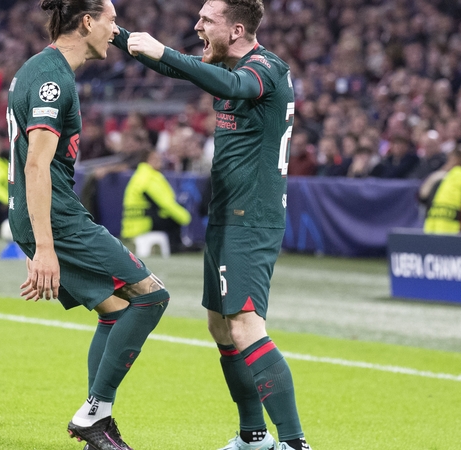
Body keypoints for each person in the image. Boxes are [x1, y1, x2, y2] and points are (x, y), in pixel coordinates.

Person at [115, 1, 310, 449]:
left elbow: (233, 83)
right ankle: (253, 437)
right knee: (221, 328)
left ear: (237, 29)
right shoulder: (223, 68)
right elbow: (193, 73)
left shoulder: (265, 68)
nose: (197, 25)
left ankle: (296, 443)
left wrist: (163, 52)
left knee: (244, 325)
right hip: (226, 217)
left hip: (252, 218)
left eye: (207, 20)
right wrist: (115, 33)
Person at [6, 1, 169, 449]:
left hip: (47, 215)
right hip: (57, 219)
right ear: (87, 22)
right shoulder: (52, 80)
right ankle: (93, 415)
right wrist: (45, 247)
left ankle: (99, 415)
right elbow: (35, 166)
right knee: (152, 296)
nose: (118, 30)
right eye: (112, 20)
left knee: (115, 313)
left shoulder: (41, 69)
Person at [121, 149, 192, 251]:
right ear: (145, 161)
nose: (159, 161)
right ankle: (176, 248)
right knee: (174, 219)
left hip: (131, 224)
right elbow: (165, 203)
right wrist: (185, 217)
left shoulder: (138, 176)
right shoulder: (149, 178)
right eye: (154, 159)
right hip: (144, 224)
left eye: (159, 158)